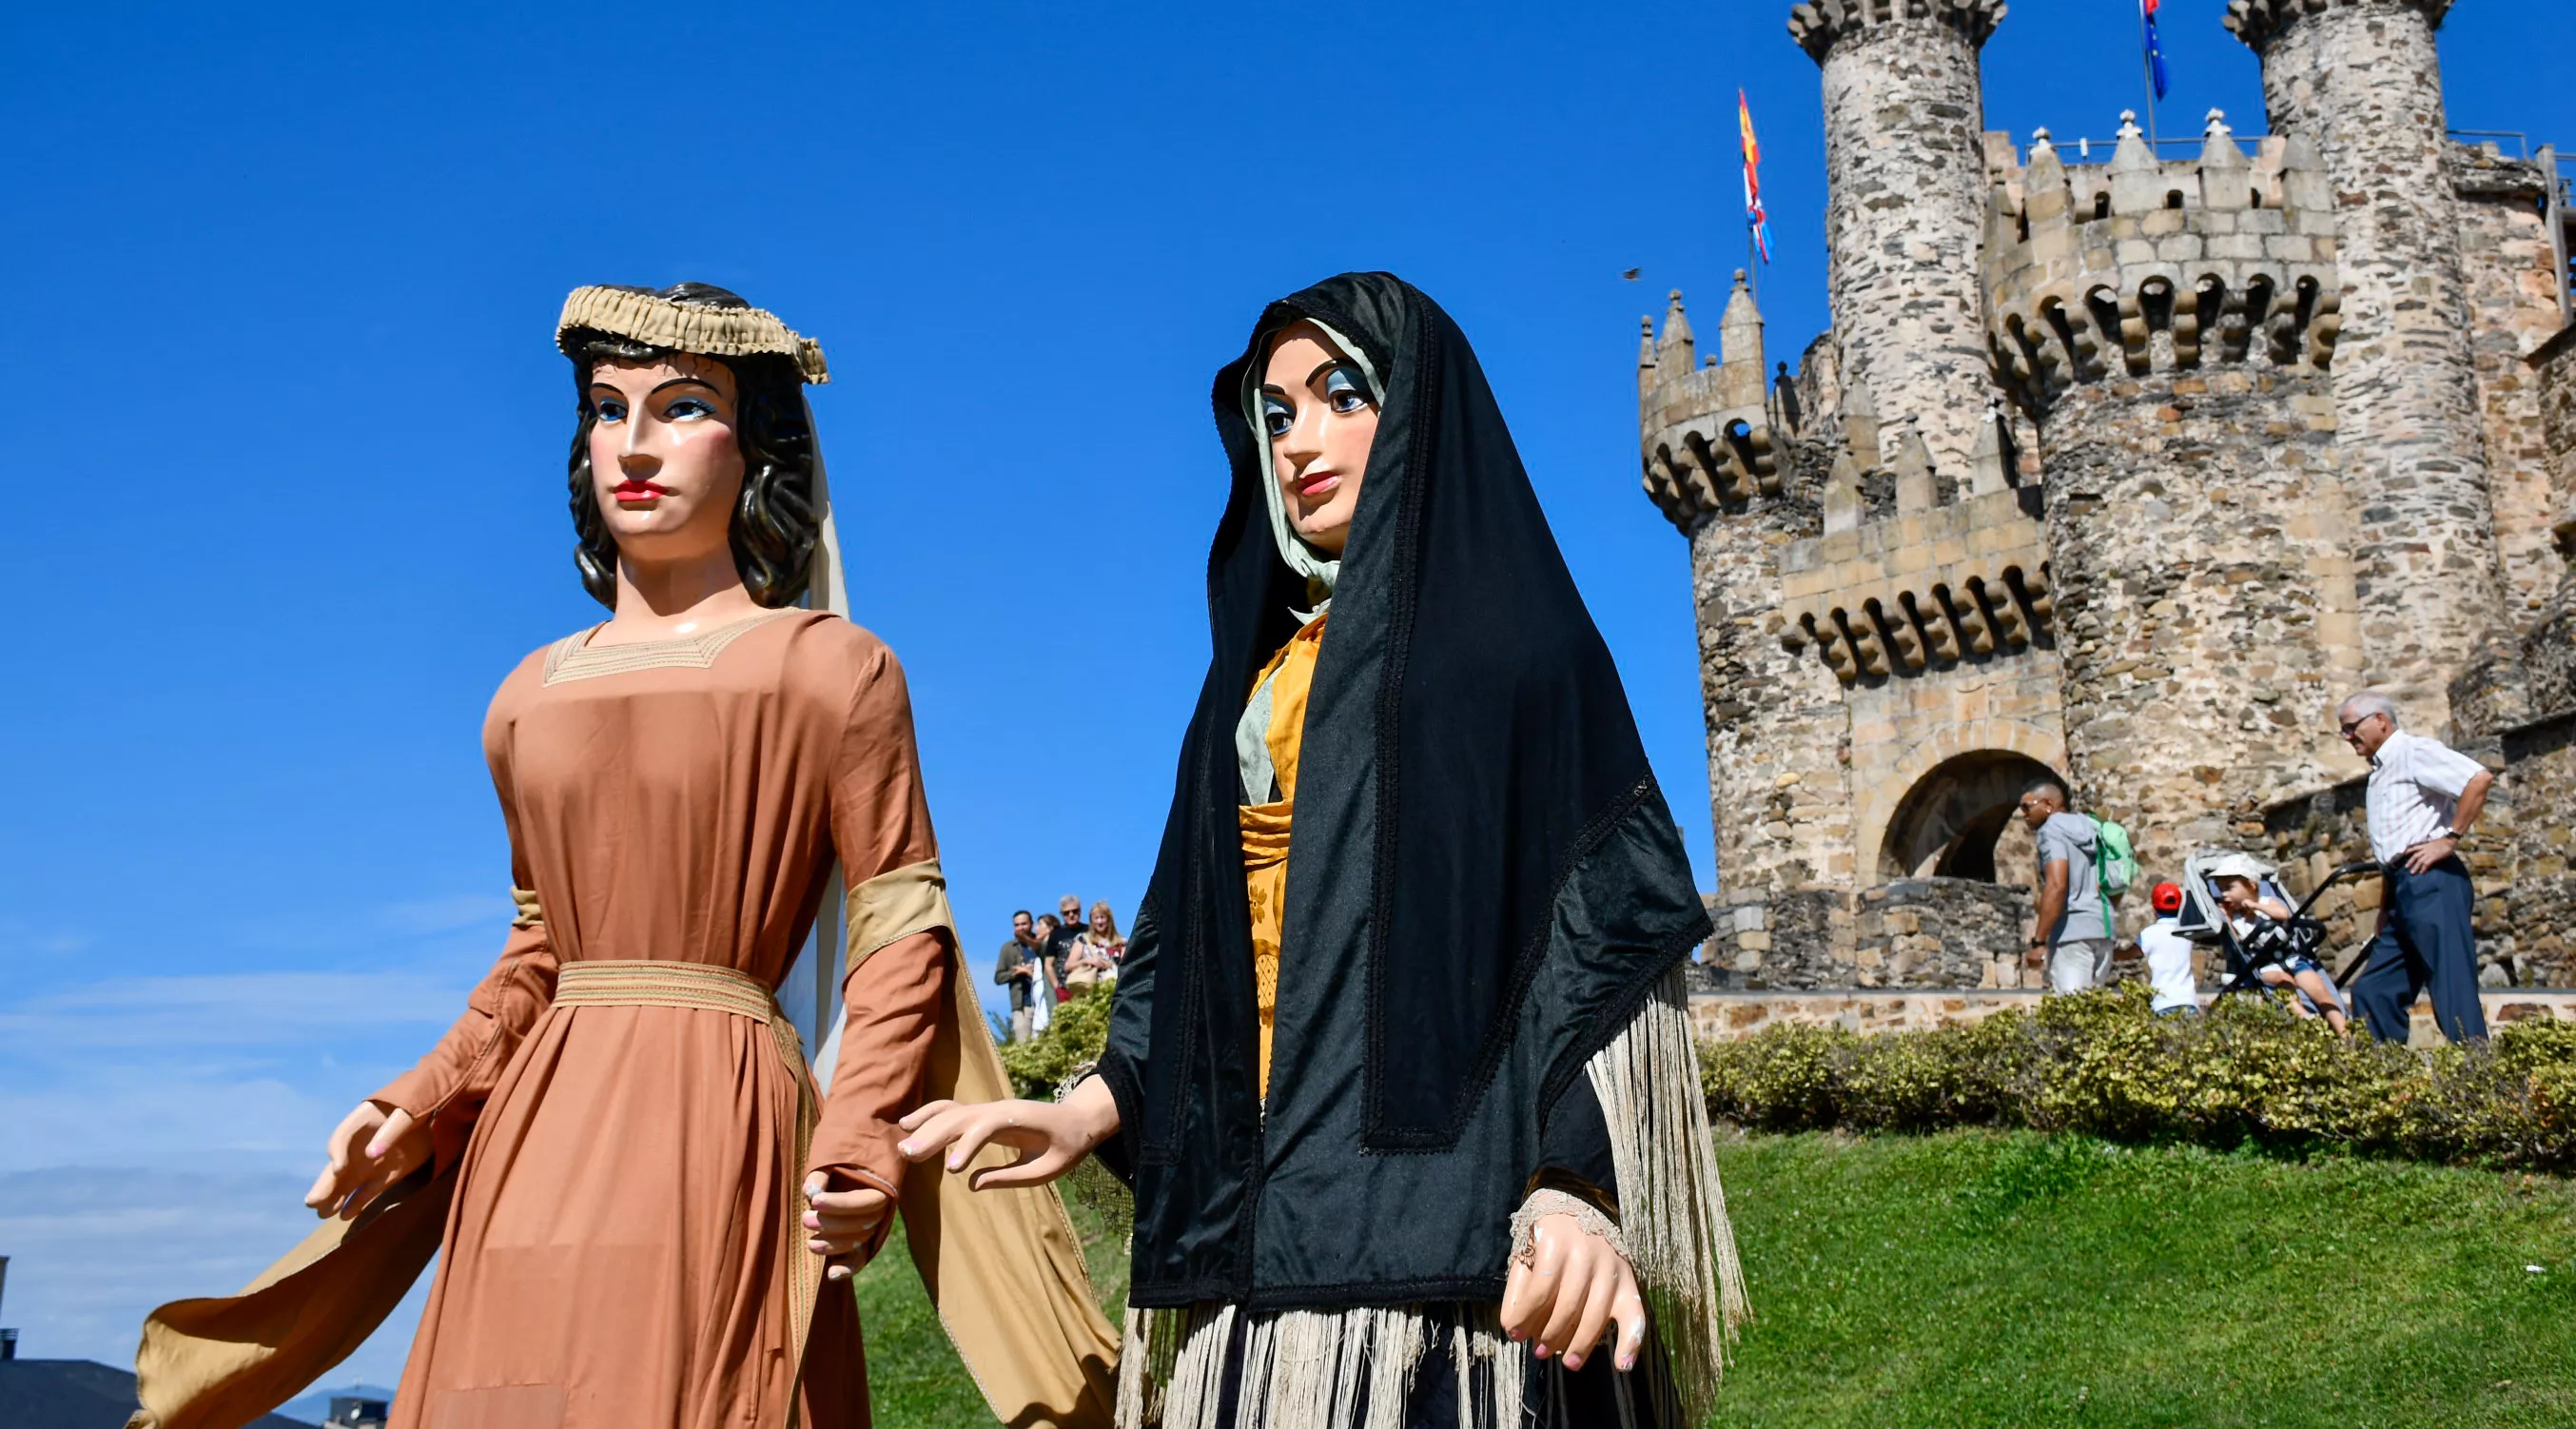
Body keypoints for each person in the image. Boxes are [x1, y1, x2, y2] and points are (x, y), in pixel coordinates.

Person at [126, 284, 1115, 1429]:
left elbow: (902, 935)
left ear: (758, 445)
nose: (634, 444)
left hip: (719, 1114)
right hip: (533, 1131)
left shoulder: (832, 669)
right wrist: (420, 1093)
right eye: (607, 408)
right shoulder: (525, 698)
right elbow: (537, 949)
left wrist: (859, 1139)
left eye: (683, 406)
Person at [901, 274, 1749, 1429]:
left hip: (1464, 1284)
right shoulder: (1240, 691)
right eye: (1277, 412)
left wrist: (1576, 1179)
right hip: (1252, 1279)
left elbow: (1601, 933)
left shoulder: (1518, 652)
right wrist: (1092, 1104)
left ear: (1417, 410)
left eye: (1342, 395)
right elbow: (1185, 947)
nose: (1297, 440)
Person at [2338, 692, 2495, 1043]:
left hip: (2432, 880)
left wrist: (2450, 838)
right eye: (2343, 731)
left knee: (2450, 982)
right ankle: (2387, 1072)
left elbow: (2479, 779)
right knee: (2374, 990)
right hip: (2401, 888)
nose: (2347, 737)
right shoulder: (2380, 772)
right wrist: (2385, 907)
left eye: (2351, 727)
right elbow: (2392, 848)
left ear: (2380, 720)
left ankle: (2478, 1067)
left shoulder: (2413, 751)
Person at [2208, 870, 2352, 1035]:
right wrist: (2227, 918)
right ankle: (2306, 1018)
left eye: (2229, 888)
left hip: (2292, 958)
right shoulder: (2237, 918)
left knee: (2319, 990)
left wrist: (2256, 906)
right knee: (2284, 983)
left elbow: (2284, 914)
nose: (2224, 894)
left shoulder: (2267, 902)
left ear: (2251, 885)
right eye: (2221, 889)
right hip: (2266, 965)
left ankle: (2345, 1033)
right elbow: (2238, 943)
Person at [2019, 779, 2114, 993]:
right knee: (2095, 1007)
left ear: (2048, 804)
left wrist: (2039, 941)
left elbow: (2057, 884)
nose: (2023, 815)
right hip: (2104, 928)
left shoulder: (2051, 830)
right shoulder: (2090, 826)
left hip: (2072, 932)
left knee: (2071, 1006)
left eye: (2027, 807)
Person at [2137, 882, 2198, 1018]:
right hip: (2188, 1001)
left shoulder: (2149, 934)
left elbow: (2132, 953)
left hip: (2162, 1002)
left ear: (2154, 908)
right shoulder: (2187, 931)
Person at [997, 908, 1043, 1042]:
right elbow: (998, 977)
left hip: (1042, 1002)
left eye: (1024, 924)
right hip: (1022, 1005)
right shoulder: (1008, 948)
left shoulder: (1041, 944)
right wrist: (1017, 972)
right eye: (1017, 925)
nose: (1020, 928)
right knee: (1024, 1044)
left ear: (1032, 924)